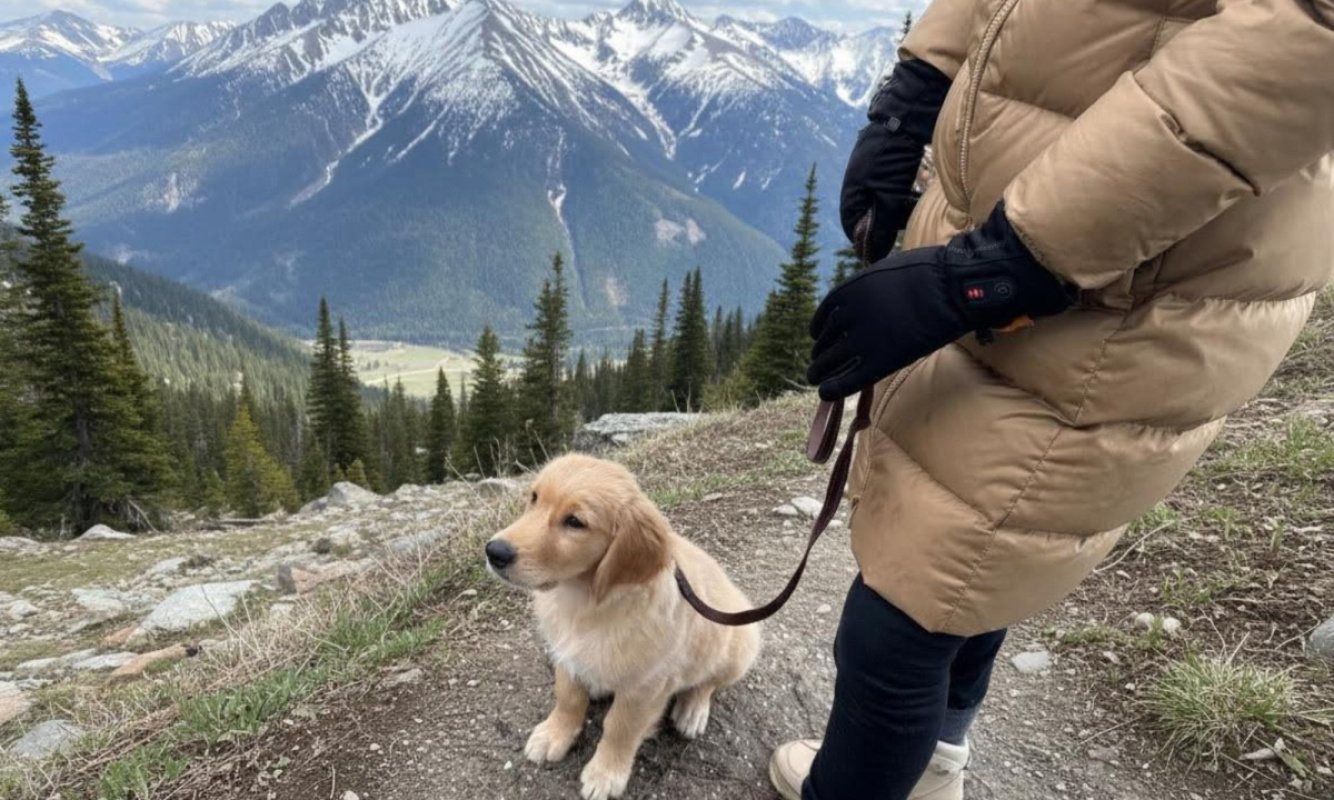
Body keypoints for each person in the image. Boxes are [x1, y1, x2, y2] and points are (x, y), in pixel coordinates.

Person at [768, 0, 1334, 798]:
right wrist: (918, 88)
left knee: (901, 623)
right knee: (970, 546)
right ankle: (932, 769)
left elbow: (1307, 37)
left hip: (1132, 270)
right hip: (1024, 233)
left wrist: (1004, 264)